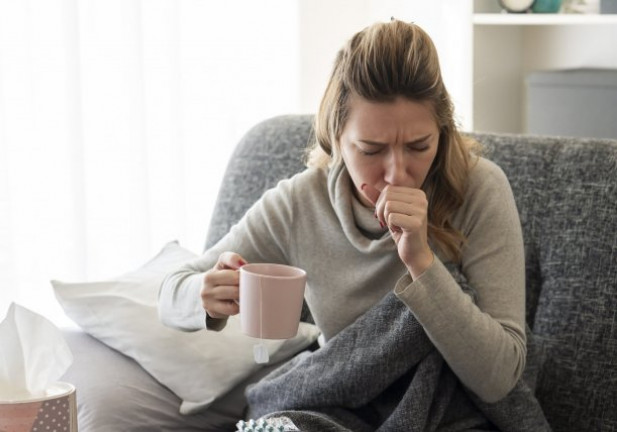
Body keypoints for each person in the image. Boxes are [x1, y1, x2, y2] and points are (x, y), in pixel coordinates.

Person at [159, 19, 538, 429]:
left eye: (419, 146)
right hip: (337, 410)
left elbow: (500, 378)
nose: (397, 173)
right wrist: (206, 294)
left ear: (442, 134)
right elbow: (168, 292)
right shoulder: (300, 203)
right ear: (335, 137)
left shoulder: (479, 189)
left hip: (448, 413)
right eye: (371, 149)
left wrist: (423, 264)